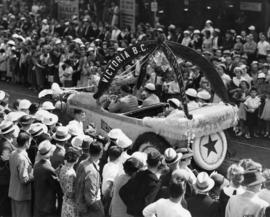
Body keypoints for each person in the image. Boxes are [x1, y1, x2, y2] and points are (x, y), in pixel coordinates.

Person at [119, 150, 163, 217]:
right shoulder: (155, 183)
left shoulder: (139, 174)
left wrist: (131, 207)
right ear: (159, 163)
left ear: (147, 162)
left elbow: (122, 191)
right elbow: (147, 204)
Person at [74, 142, 105, 217]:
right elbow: (90, 198)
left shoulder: (82, 163)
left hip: (79, 203)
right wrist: (99, 210)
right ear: (101, 153)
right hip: (88, 209)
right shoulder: (92, 172)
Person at [33, 140, 63, 217]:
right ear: (50, 153)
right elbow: (58, 189)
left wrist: (54, 171)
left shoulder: (36, 165)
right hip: (48, 207)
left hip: (39, 203)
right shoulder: (48, 169)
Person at [8, 132, 33, 217]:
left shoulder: (13, 153)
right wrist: (33, 175)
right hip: (21, 194)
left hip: (14, 191)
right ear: (26, 143)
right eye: (29, 142)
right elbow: (24, 179)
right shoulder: (22, 158)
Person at [58, 147, 80, 217]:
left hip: (65, 199)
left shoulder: (63, 168)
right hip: (71, 202)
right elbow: (70, 192)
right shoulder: (71, 174)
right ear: (76, 160)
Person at [102, 146, 123, 214]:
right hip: (107, 198)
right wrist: (104, 202)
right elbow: (108, 188)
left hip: (103, 195)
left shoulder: (107, 165)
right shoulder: (115, 170)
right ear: (119, 157)